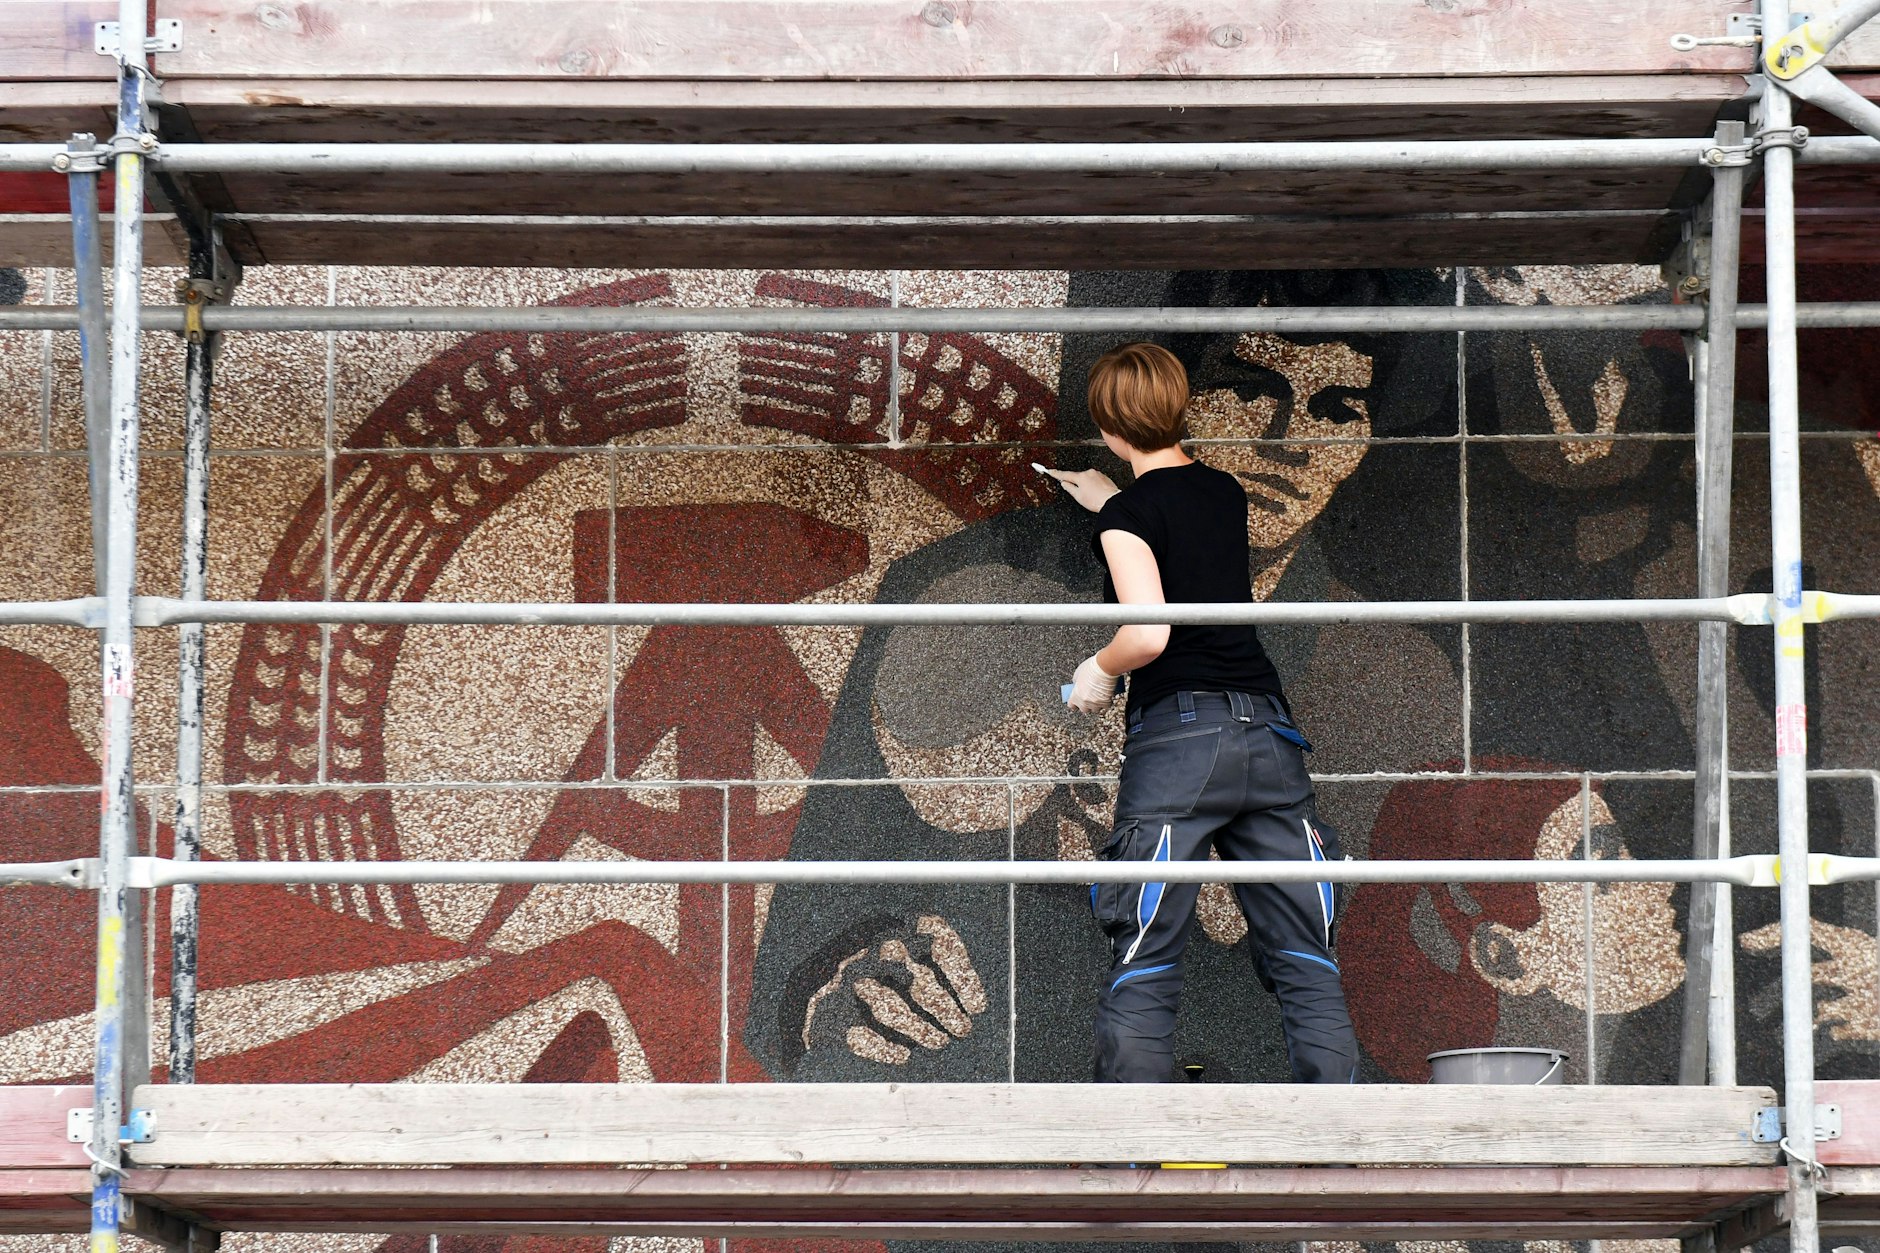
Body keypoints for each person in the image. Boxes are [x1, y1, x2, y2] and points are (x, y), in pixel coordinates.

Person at [1042, 341, 1360, 1085]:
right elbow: (1178, 525)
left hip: (1180, 741)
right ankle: (1338, 1156)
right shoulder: (1224, 492)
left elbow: (1149, 631)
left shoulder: (1128, 516)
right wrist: (1108, 502)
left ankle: (1139, 1160)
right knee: (1306, 954)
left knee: (1145, 950)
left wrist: (1096, 670)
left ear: (1110, 431)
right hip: (1268, 733)